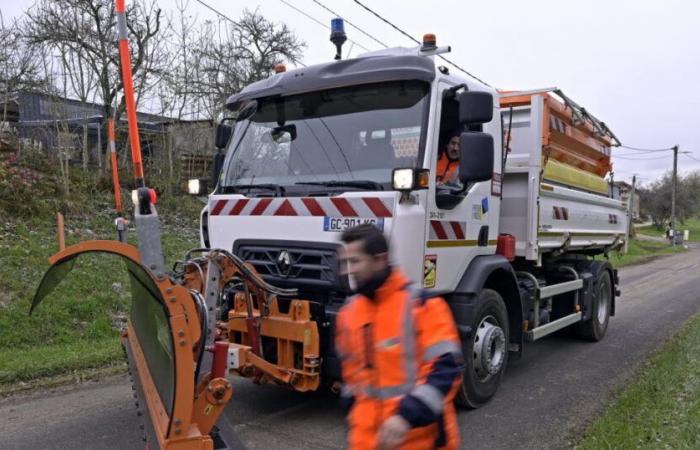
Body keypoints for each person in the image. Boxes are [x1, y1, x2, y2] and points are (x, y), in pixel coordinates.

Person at [335, 224, 463, 450]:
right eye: (345, 262)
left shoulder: (423, 306)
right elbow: (351, 376)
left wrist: (405, 417)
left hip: (419, 441)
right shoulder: (348, 313)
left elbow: (446, 369)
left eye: (355, 261)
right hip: (366, 442)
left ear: (380, 260)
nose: (348, 270)